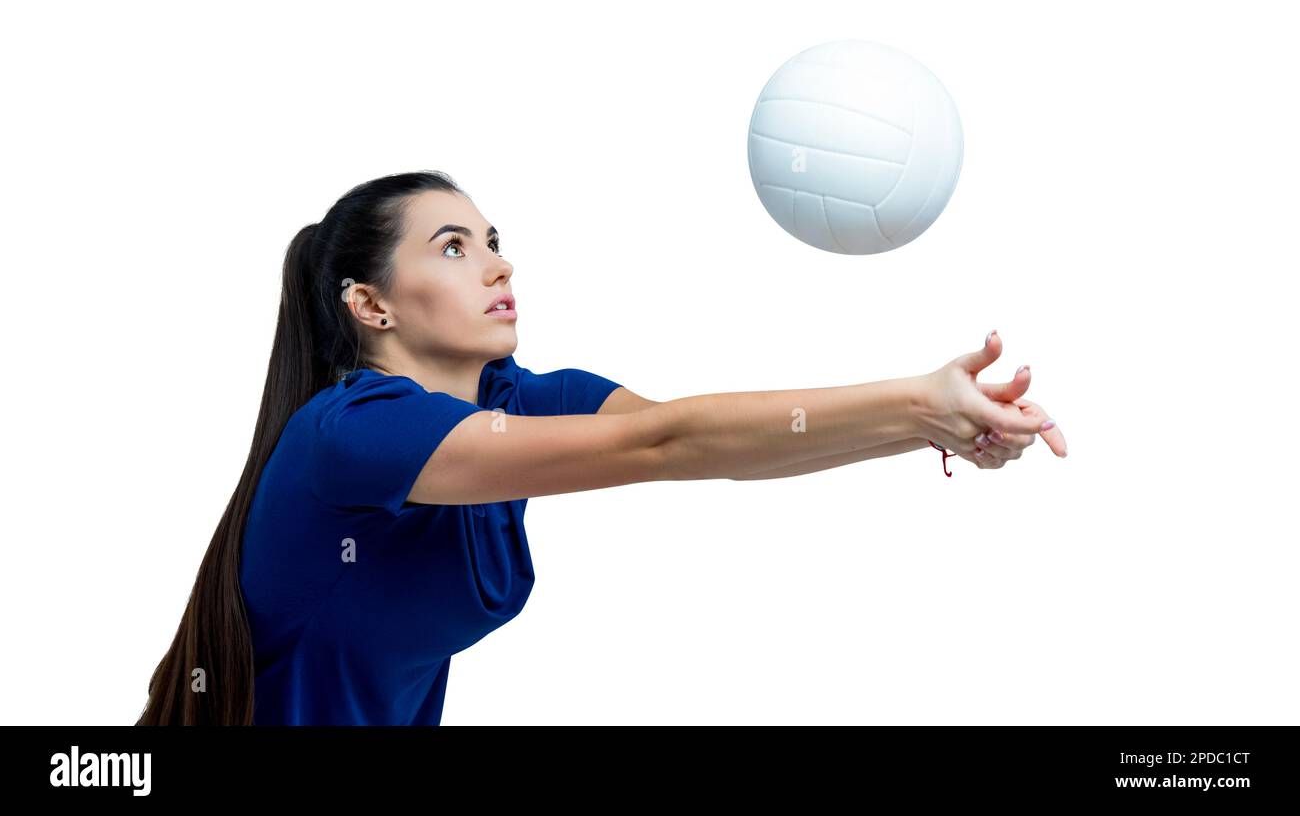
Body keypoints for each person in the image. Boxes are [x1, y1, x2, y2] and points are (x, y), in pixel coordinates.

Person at [135, 169, 1067, 725]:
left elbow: (716, 446)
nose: (499, 263)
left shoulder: (524, 402)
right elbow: (664, 442)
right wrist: (911, 398)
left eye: (494, 239)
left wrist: (929, 422)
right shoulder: (356, 435)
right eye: (453, 247)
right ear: (369, 304)